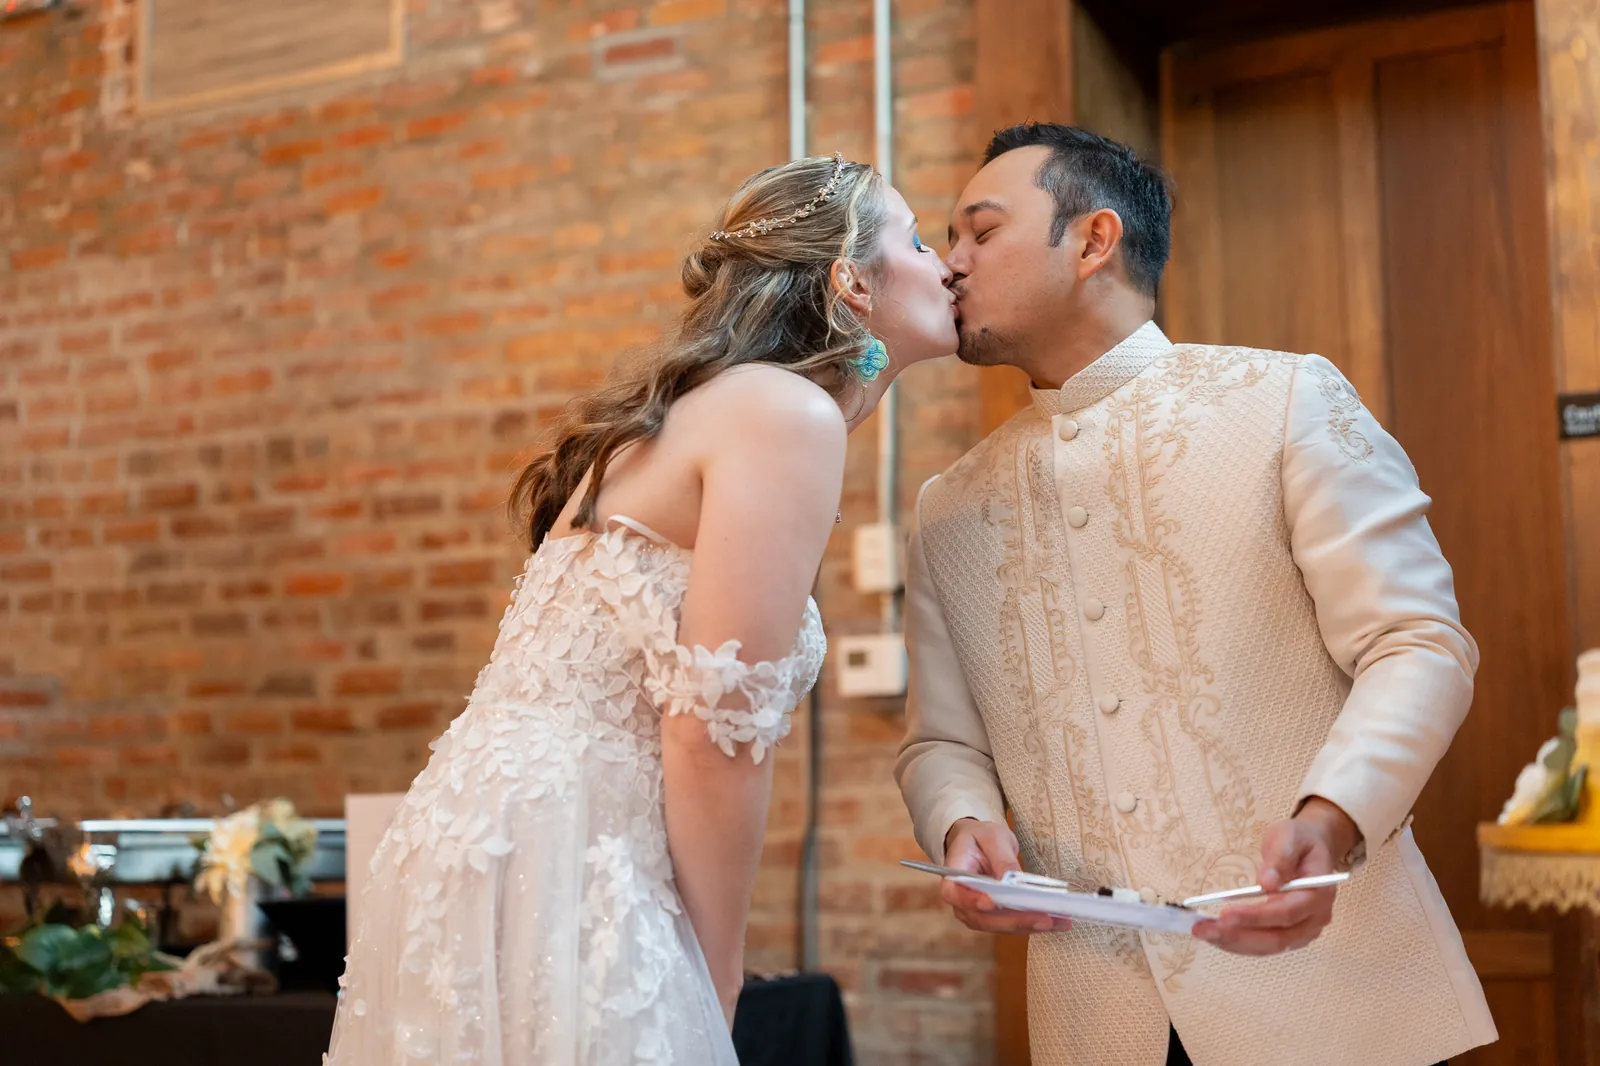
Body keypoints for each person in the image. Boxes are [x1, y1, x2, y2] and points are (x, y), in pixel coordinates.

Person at [324, 153, 957, 1065]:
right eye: (921, 238)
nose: (944, 264)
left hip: (487, 837)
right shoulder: (784, 414)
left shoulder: (697, 411)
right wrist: (719, 966)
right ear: (850, 280)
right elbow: (713, 726)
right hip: (570, 854)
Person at [895, 123, 1495, 1066]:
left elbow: (1416, 642)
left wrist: (1334, 817)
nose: (949, 264)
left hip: (1333, 996)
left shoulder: (1286, 400)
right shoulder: (946, 507)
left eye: (979, 232)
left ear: (1094, 242)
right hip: (1095, 1018)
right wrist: (961, 820)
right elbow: (942, 739)